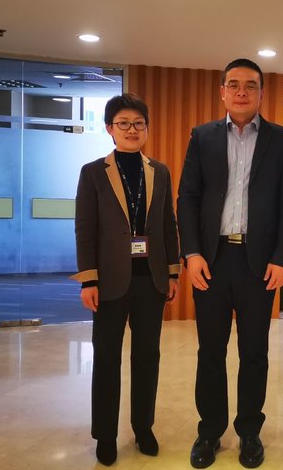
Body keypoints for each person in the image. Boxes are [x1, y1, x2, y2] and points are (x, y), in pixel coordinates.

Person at [177, 58, 283, 469]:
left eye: (250, 85)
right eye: (234, 84)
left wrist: (282, 257)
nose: (242, 91)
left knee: (255, 353)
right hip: (211, 260)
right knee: (210, 352)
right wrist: (191, 253)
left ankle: (249, 432)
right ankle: (209, 431)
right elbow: (188, 198)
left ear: (262, 93)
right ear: (222, 92)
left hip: (259, 263)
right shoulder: (202, 137)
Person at [71, 93, 181, 466]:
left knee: (148, 356)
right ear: (110, 129)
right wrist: (89, 280)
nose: (132, 130)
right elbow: (85, 228)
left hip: (151, 280)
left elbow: (167, 223)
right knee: (106, 358)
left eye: (138, 123)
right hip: (109, 282)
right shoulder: (93, 172)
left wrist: (172, 272)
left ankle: (143, 427)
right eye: (123, 124)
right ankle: (105, 434)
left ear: (146, 128)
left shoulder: (159, 171)